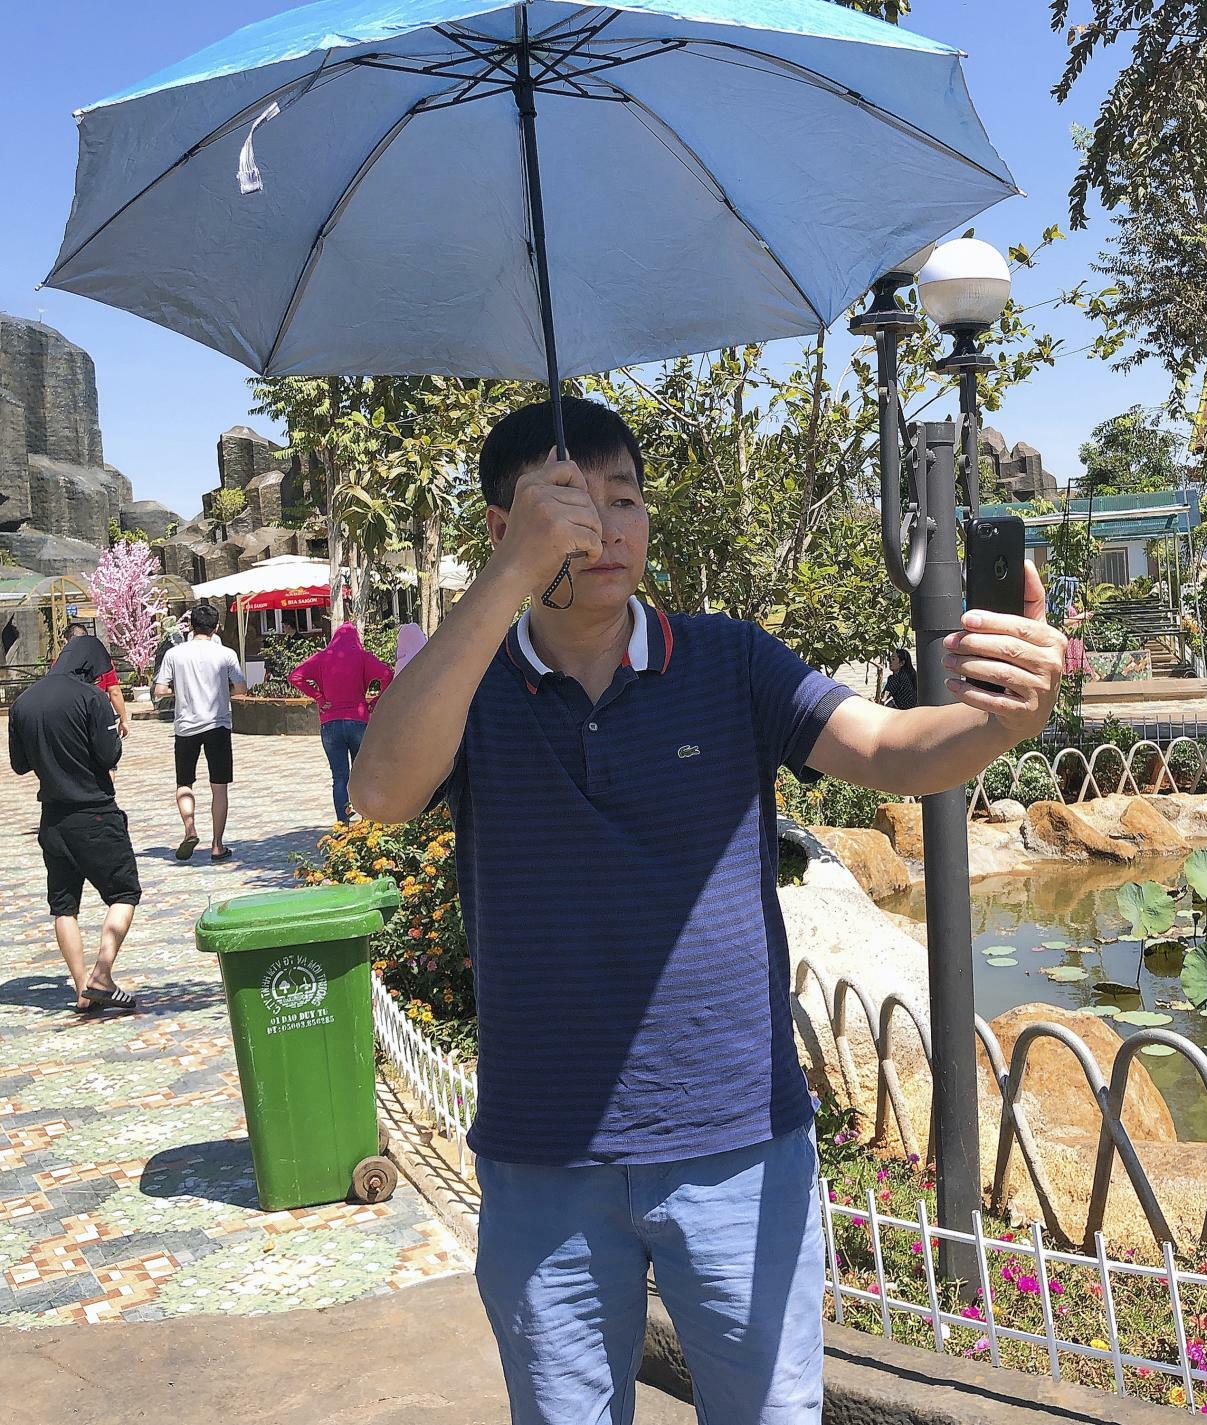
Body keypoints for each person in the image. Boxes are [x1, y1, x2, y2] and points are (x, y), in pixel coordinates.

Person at [351, 396, 1066, 1424]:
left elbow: (893, 750)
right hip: (543, 1154)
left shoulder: (729, 660)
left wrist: (1000, 721)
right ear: (504, 527)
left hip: (738, 1143)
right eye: (564, 503)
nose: (604, 527)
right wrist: (506, 581)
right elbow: (380, 792)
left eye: (624, 499)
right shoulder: (469, 686)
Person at [9, 635, 141, 1013]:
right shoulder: (92, 698)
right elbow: (108, 755)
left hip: (52, 819)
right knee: (124, 893)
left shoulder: (23, 703)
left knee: (64, 906)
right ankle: (102, 974)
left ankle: (82, 991)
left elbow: (19, 765)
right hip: (95, 815)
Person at [153, 602, 247, 862]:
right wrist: (223, 691)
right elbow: (241, 688)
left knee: (184, 783)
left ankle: (190, 828)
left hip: (186, 727)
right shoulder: (226, 654)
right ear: (216, 627)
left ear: (190, 627)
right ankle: (217, 844)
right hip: (218, 725)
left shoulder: (175, 654)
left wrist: (181, 691)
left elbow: (160, 690)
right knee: (219, 787)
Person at [287, 623, 394, 821]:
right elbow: (387, 674)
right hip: (358, 721)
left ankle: (342, 824)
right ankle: (366, 821)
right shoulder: (362, 657)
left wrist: (319, 698)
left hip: (330, 723)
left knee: (339, 777)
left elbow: (295, 676)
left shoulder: (322, 657)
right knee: (362, 776)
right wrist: (375, 701)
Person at [62, 622, 129, 738]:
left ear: (66, 642)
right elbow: (114, 692)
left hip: (71, 715)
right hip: (99, 712)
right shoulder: (102, 660)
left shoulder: (61, 663)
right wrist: (123, 720)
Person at [881, 646, 918, 710]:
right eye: (890, 659)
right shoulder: (909, 675)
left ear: (902, 663)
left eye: (893, 659)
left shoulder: (896, 678)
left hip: (903, 712)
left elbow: (883, 698)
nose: (890, 661)